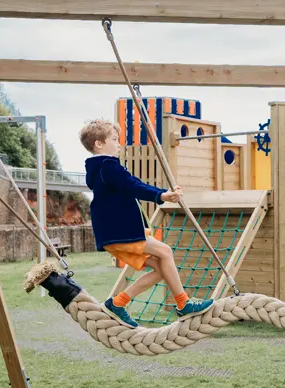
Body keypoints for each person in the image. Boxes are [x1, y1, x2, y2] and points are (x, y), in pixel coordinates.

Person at [80, 119, 214, 328]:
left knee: (162, 268)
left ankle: (118, 303)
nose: (119, 144)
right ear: (98, 144)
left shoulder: (97, 170)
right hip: (121, 232)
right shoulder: (108, 166)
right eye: (114, 140)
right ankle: (183, 303)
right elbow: (134, 185)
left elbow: (127, 188)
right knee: (166, 252)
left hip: (111, 236)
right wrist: (162, 195)